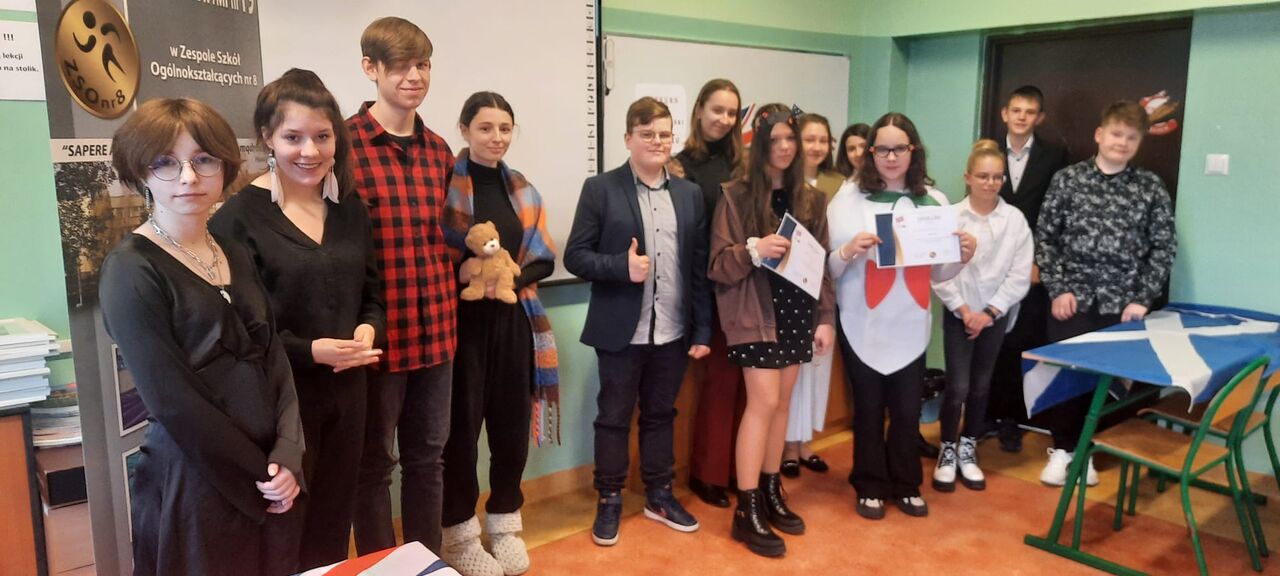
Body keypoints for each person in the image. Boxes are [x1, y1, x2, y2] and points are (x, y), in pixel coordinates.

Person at [100, 98, 305, 575]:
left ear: (224, 166)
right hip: (195, 480)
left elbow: (274, 358)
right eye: (165, 163)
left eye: (203, 159)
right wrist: (259, 473)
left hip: (274, 476)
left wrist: (288, 455)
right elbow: (173, 401)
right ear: (141, 172)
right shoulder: (131, 269)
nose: (189, 177)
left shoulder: (234, 250)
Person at [209, 69, 385, 569]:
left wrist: (369, 329)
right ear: (268, 137)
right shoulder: (237, 219)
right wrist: (311, 351)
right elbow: (239, 330)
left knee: (333, 522)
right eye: (293, 137)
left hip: (349, 395)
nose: (310, 151)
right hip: (281, 405)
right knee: (284, 531)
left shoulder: (349, 209)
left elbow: (372, 295)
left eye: (322, 137)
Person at [564, 96, 712, 547]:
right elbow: (575, 256)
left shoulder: (689, 195)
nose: (657, 142)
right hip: (620, 332)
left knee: (661, 415)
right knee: (613, 418)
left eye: (664, 134)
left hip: (673, 330)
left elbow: (698, 267)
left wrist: (703, 329)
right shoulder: (600, 189)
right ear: (628, 138)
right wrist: (620, 267)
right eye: (647, 134)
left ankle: (659, 495)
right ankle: (609, 498)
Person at [826, 112, 976, 520]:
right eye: (882, 150)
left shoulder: (935, 201)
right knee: (869, 410)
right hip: (862, 321)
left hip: (910, 324)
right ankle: (870, 484)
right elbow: (828, 268)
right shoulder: (849, 198)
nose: (891, 158)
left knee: (907, 411)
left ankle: (907, 484)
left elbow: (938, 274)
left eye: (899, 149)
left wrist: (963, 257)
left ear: (914, 151)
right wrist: (847, 251)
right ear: (870, 153)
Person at [347, 17, 456, 555]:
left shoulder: (440, 151)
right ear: (370, 68)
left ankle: (425, 561)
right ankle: (381, 565)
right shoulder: (341, 145)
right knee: (372, 467)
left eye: (423, 65)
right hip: (377, 340)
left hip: (438, 334)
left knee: (427, 460)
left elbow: (452, 236)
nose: (414, 76)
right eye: (400, 66)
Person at [438, 92, 558, 576]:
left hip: (513, 323)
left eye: (505, 128)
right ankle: (459, 535)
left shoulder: (524, 190)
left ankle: (505, 524)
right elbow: (435, 257)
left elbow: (544, 259)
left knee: (510, 430)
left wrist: (507, 279)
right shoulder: (444, 185)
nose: (497, 137)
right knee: (460, 434)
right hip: (459, 326)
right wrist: (469, 278)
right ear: (464, 129)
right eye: (485, 128)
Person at [709, 103, 836, 557]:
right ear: (759, 144)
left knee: (782, 404)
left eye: (790, 139)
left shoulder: (811, 199)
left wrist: (825, 317)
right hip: (755, 316)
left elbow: (821, 265)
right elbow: (718, 266)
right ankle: (746, 509)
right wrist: (754, 250)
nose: (784, 147)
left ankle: (769, 489)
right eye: (775, 139)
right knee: (762, 403)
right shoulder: (736, 196)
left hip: (798, 313)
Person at [1035, 100, 1176, 487]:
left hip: (1123, 304)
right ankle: (1063, 450)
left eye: (1131, 137)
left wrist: (1143, 298)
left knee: (1108, 384)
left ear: (1139, 143)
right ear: (1099, 134)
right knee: (1067, 377)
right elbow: (1045, 238)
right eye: (1116, 134)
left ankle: (1089, 452)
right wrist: (1058, 288)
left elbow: (1163, 247)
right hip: (1072, 300)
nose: (1122, 142)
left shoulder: (1149, 186)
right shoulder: (1068, 180)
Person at [929, 139, 1032, 493]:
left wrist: (988, 313)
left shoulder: (1014, 221)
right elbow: (937, 272)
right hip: (959, 313)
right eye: (983, 176)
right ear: (968, 177)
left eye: (997, 177)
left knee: (981, 385)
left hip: (994, 315)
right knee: (957, 385)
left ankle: (968, 447)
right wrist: (963, 310)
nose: (990, 183)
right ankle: (947, 448)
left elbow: (1019, 275)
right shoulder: (951, 217)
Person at [667, 78, 747, 508]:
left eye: (732, 112)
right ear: (699, 109)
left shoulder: (744, 166)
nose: (724, 119)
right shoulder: (680, 167)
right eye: (717, 109)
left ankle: (740, 468)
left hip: (747, 286)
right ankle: (708, 473)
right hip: (706, 290)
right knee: (719, 384)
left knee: (749, 386)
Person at [987, 85, 1069, 453]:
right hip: (991, 259)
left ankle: (1012, 419)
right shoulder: (987, 150)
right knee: (990, 338)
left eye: (1030, 111)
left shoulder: (1055, 155)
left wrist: (1040, 263)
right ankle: (985, 415)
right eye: (1016, 110)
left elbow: (1056, 212)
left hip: (1033, 263)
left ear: (1040, 118)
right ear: (1005, 113)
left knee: (1022, 340)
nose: (1022, 117)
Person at [779, 112, 841, 478]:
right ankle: (787, 444)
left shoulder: (839, 184)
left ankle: (806, 442)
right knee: (793, 374)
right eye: (809, 139)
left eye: (823, 140)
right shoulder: (784, 184)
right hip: (790, 288)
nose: (816, 147)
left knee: (817, 368)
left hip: (825, 285)